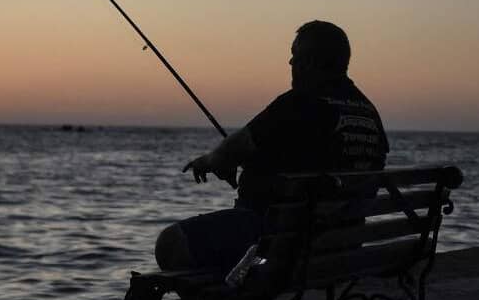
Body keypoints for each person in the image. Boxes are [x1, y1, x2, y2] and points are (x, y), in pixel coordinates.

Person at [154, 20, 389, 273]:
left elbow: (231, 150)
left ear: (309, 61)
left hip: (280, 242)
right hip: (340, 243)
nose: (290, 62)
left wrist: (210, 161)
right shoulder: (368, 112)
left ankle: (224, 295)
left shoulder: (299, 103)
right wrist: (251, 163)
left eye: (295, 55)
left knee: (170, 243)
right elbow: (311, 157)